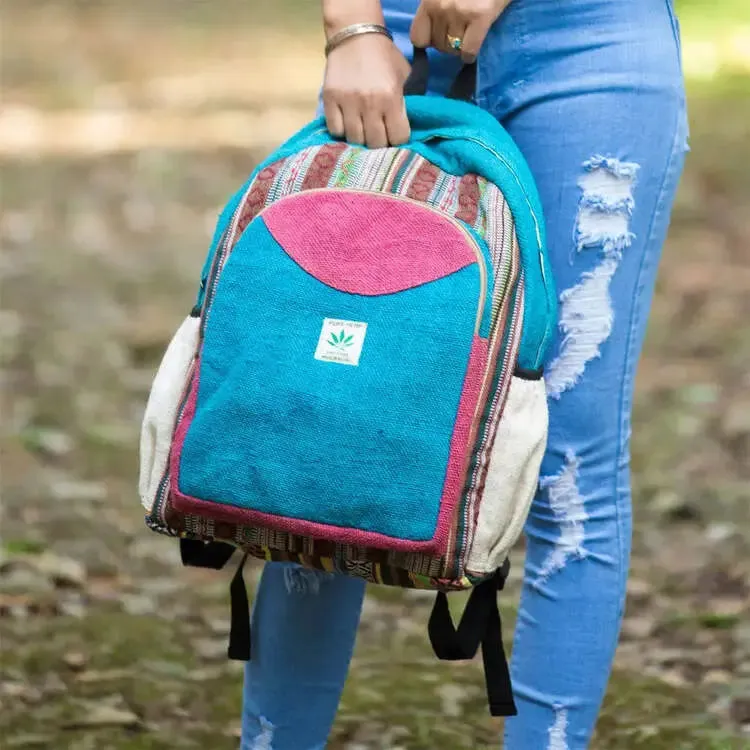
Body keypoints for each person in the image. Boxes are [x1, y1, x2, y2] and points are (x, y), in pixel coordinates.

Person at [241, 0, 688, 747]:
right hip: (396, 42)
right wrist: (351, 25)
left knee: (570, 468)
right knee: (324, 435)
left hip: (594, 46)